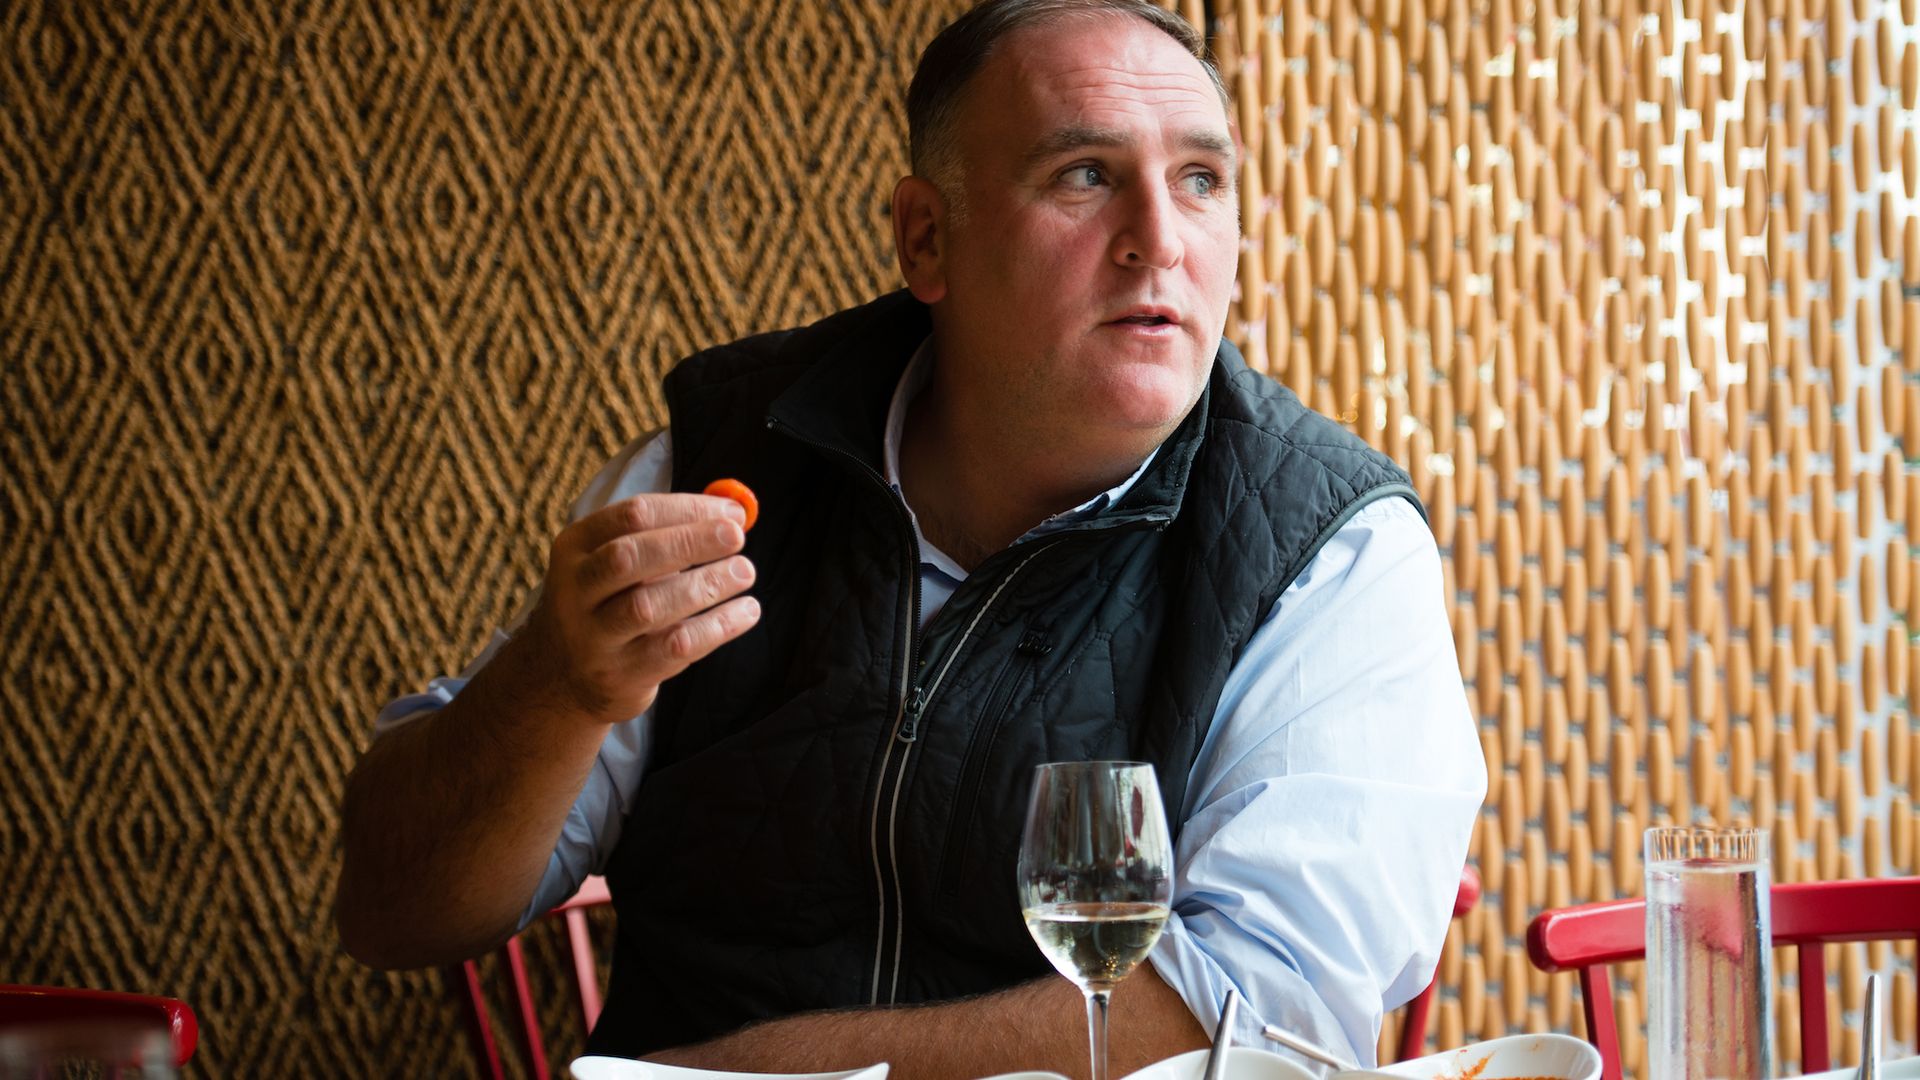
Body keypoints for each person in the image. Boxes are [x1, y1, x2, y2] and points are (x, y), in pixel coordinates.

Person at [335, 0, 1487, 1074]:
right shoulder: (727, 465)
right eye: (1086, 175)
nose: (1160, 238)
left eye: (1200, 179)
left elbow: (1259, 1016)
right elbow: (396, 914)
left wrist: (732, 1076)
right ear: (925, 237)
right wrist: (554, 686)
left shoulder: (1325, 550)